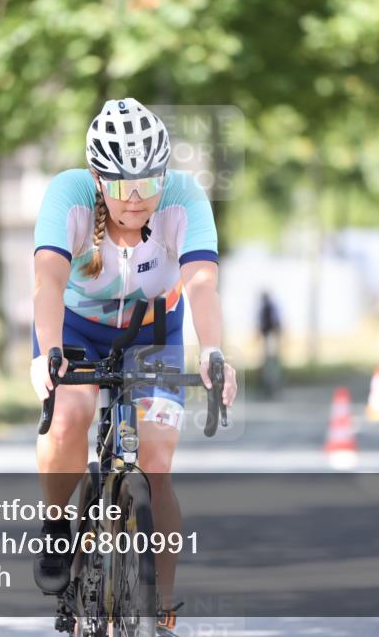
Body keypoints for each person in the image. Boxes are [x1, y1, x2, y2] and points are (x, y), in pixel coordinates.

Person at [30, 98, 238, 635]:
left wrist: (213, 352)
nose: (138, 199)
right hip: (75, 330)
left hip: (153, 333)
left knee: (157, 465)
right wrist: (47, 354)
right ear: (99, 179)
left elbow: (200, 283)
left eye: (150, 182)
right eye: (123, 187)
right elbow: (47, 281)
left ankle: (160, 611)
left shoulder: (185, 198)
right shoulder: (68, 195)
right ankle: (57, 527)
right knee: (70, 418)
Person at [258, 291, 282, 396]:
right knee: (270, 362)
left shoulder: (268, 307)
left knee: (270, 362)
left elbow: (273, 322)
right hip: (270, 336)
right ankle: (270, 386)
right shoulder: (269, 307)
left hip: (270, 336)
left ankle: (270, 386)